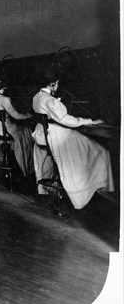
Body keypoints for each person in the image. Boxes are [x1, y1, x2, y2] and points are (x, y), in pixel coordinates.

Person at [32, 73, 113, 210]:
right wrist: (90, 122)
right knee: (98, 150)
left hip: (41, 134)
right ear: (52, 84)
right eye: (56, 83)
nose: (57, 86)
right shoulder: (51, 101)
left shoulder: (36, 97)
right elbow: (66, 120)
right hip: (54, 135)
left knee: (84, 147)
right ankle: (89, 187)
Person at [0, 80, 34, 177]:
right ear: (4, 87)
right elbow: (15, 115)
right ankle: (26, 168)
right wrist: (28, 116)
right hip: (5, 130)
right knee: (26, 131)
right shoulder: (4, 99)